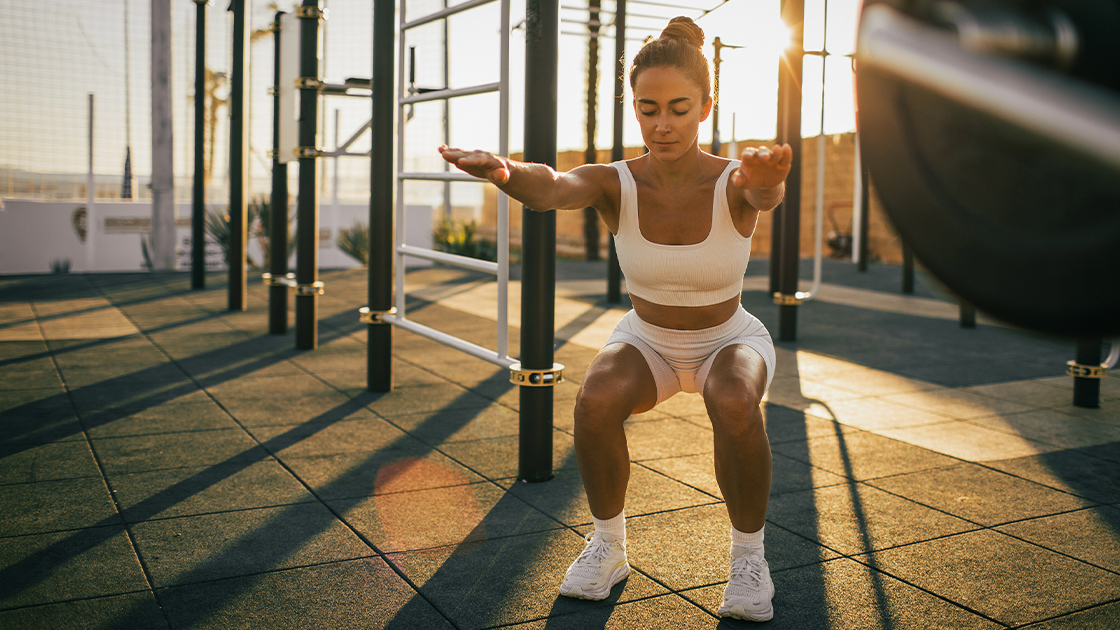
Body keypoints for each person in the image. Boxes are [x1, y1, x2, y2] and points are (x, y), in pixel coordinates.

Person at [440, 15, 791, 623]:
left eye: (679, 108)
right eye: (647, 107)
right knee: (595, 398)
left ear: (706, 107)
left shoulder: (733, 180)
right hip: (648, 338)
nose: (662, 123)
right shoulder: (613, 182)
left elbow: (760, 197)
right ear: (633, 107)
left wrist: (769, 185)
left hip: (728, 338)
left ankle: (749, 558)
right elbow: (552, 187)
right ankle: (608, 546)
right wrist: (503, 172)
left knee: (734, 401)